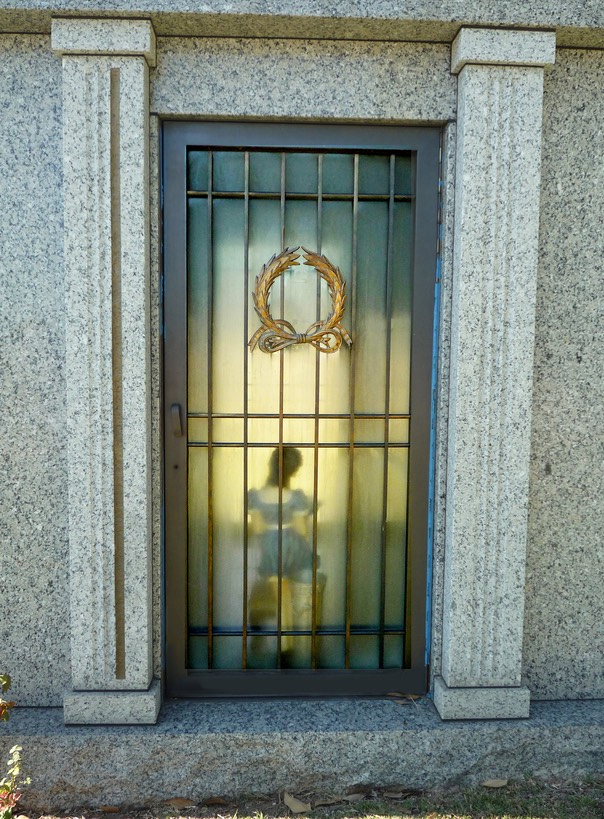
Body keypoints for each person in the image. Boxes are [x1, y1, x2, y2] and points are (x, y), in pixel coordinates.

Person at [247, 447, 320, 667]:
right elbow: (301, 530)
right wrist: (308, 513)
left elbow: (258, 528)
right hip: (293, 550)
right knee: (290, 596)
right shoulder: (296, 497)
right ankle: (287, 646)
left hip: (269, 552)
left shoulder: (255, 496)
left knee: (273, 593)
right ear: (293, 471)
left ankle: (264, 638)